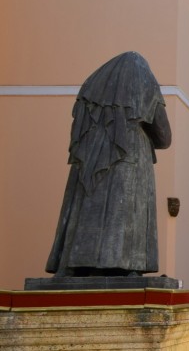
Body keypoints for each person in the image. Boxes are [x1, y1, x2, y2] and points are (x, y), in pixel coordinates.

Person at [46, 51, 172, 277]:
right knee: (125, 211)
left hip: (90, 163)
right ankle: (128, 266)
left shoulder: (91, 94)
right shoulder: (145, 85)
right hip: (131, 163)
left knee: (84, 208)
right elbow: (164, 138)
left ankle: (72, 264)